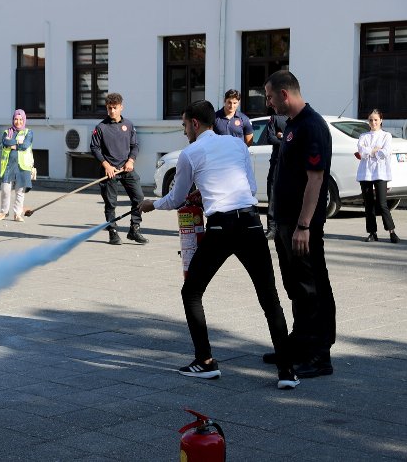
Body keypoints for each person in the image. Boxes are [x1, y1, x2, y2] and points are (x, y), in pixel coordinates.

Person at [139, 100, 299, 390]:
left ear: (195, 124)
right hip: (250, 223)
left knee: (192, 292)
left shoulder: (190, 153)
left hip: (221, 227)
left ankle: (206, 361)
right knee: (269, 298)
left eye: (185, 125)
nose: (184, 131)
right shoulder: (237, 145)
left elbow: (176, 198)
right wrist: (207, 193)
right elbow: (248, 187)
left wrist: (151, 204)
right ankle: (287, 371)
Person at [263, 70, 335, 378]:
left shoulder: (312, 126)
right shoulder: (292, 124)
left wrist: (304, 225)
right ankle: (300, 342)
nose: (267, 103)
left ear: (284, 94)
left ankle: (319, 355)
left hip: (300, 226)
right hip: (285, 222)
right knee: (295, 286)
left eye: (268, 97)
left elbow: (315, 179)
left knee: (311, 288)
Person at [90, 92, 147, 245]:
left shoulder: (128, 125)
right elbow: (94, 148)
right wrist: (106, 165)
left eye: (115, 108)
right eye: (109, 108)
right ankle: (113, 232)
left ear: (121, 107)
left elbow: (135, 145)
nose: (112, 111)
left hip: (126, 169)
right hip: (110, 171)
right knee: (110, 203)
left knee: (139, 198)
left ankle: (134, 229)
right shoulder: (101, 127)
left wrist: (131, 160)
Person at [357, 109, 399, 243]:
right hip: (365, 173)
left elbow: (385, 152)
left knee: (382, 204)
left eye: (376, 119)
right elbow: (361, 151)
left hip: (381, 172)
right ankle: (372, 232)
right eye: (370, 120)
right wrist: (374, 150)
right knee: (368, 204)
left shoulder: (386, 136)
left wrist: (371, 152)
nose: (373, 122)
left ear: (381, 120)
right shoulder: (363, 136)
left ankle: (391, 231)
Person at [0, 109, 33, 222]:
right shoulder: (7, 132)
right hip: (9, 165)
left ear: (24, 120)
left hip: (23, 166)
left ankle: (17, 213)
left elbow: (25, 145)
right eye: (16, 119)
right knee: (5, 189)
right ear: (13, 119)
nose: (18, 122)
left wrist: (14, 144)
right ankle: (4, 212)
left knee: (20, 191)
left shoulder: (28, 132)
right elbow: (5, 142)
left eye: (20, 119)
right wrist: (17, 143)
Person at [264, 111, 287, 240]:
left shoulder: (296, 117)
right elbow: (270, 138)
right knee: (272, 196)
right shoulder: (275, 118)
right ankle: (272, 228)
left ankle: (285, 227)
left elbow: (298, 138)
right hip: (276, 162)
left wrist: (281, 136)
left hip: (291, 163)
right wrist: (286, 139)